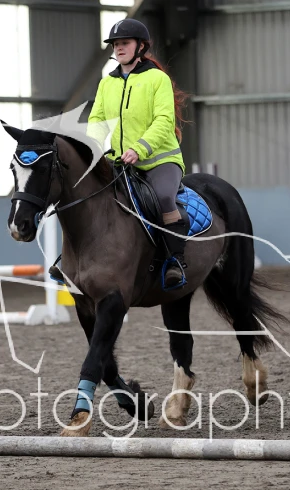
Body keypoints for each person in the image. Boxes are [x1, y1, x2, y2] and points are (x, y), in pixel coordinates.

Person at [88, 18, 190, 289]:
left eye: (125, 43)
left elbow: (164, 120)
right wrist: (92, 147)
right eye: (115, 44)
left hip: (159, 160)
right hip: (120, 162)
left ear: (141, 47)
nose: (119, 48)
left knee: (164, 197)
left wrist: (140, 148)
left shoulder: (157, 79)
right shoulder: (106, 84)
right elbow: (97, 120)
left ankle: (175, 261)